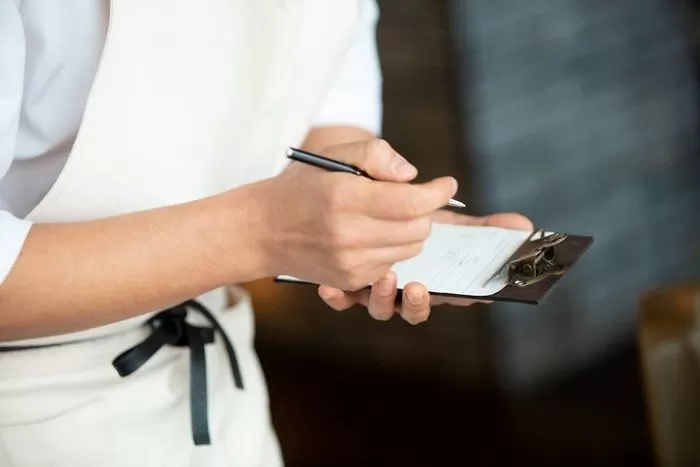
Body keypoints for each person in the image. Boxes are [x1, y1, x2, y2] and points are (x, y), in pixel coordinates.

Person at [0, 1, 531, 466]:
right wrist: (260, 232)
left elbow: (324, 118)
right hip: (31, 418)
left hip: (221, 387)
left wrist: (388, 221)